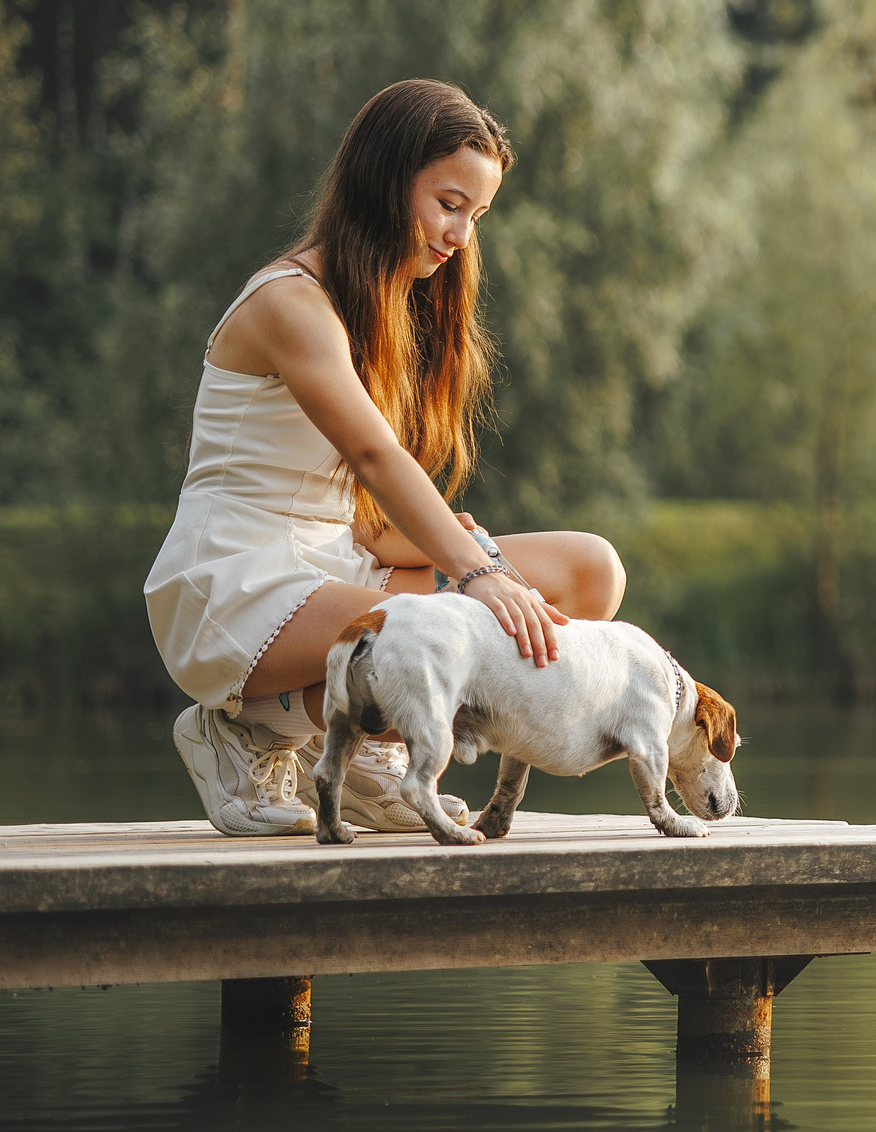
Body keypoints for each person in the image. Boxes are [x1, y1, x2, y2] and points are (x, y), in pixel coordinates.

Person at [143, 79, 628, 835]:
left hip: (334, 563)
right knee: (445, 623)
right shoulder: (289, 303)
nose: (461, 234)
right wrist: (476, 569)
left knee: (589, 572)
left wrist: (446, 540)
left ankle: (366, 745)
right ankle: (247, 731)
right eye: (448, 202)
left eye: (478, 213)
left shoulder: (387, 311)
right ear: (385, 178)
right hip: (234, 578)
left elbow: (360, 516)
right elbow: (373, 455)